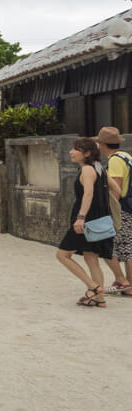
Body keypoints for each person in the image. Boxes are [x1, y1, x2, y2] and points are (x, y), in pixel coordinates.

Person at [55, 137, 114, 307]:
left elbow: (88, 194)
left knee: (62, 255)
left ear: (86, 154)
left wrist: (81, 217)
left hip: (85, 221)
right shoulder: (100, 168)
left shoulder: (87, 170)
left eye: (76, 149)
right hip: (98, 220)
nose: (71, 152)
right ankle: (99, 299)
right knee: (91, 257)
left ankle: (94, 288)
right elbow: (115, 190)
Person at [96, 126, 132, 294]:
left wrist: (108, 212)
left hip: (121, 209)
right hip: (129, 208)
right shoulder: (126, 156)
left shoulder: (114, 160)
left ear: (103, 144)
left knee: (110, 245)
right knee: (128, 247)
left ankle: (120, 280)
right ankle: (129, 285)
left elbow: (116, 189)